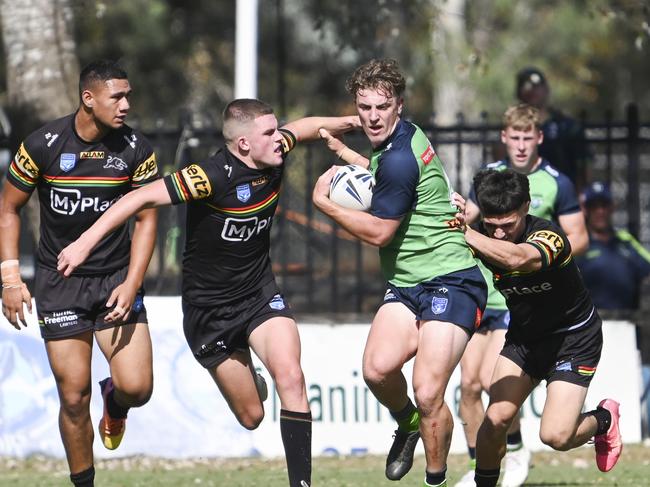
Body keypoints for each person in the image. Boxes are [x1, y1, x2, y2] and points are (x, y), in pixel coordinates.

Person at [56, 98, 361, 487]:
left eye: (275, 130)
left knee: (291, 376)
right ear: (245, 145)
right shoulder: (210, 176)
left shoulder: (272, 150)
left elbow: (303, 127)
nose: (278, 140)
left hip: (259, 293)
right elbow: (139, 197)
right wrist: (84, 243)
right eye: (269, 133)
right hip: (210, 312)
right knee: (251, 416)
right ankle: (116, 399)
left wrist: (349, 121)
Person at [313, 58, 487, 487]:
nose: (372, 116)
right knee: (376, 371)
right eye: (364, 107)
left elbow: (380, 233)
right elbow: (384, 178)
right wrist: (346, 153)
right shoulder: (398, 142)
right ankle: (408, 424)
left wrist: (326, 204)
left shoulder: (398, 159)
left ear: (399, 106)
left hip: (452, 279)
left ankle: (435, 478)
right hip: (409, 285)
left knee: (429, 391)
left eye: (381, 107)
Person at [0, 60, 159, 487]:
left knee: (137, 387)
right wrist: (11, 279)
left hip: (114, 281)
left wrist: (132, 282)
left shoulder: (136, 149)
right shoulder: (43, 144)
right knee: (73, 397)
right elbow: (9, 208)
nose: (126, 104)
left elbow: (146, 220)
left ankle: (116, 402)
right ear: (88, 99)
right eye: (117, 97)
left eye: (128, 95)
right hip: (60, 282)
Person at [454, 168, 622, 487]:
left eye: (508, 224)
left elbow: (518, 259)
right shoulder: (483, 235)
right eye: (492, 226)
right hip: (525, 340)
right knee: (495, 421)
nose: (500, 234)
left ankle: (604, 420)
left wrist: (466, 233)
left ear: (527, 206)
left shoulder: (550, 237)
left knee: (556, 436)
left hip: (573, 339)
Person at [455, 103, 589, 487]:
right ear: (503, 137)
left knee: (489, 382)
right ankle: (482, 463)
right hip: (489, 291)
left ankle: (514, 452)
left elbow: (576, 237)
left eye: (527, 137)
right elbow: (466, 222)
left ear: (538, 138)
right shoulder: (490, 179)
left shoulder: (556, 182)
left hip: (529, 297)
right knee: (467, 386)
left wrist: (541, 260)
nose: (520, 145)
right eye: (513, 137)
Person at [575, 181, 650, 437]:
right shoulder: (579, 244)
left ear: (611, 208)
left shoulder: (625, 241)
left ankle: (636, 427)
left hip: (628, 330)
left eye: (604, 205)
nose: (599, 211)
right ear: (585, 209)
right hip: (587, 331)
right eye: (594, 206)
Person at [515, 67, 591, 188]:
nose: (531, 91)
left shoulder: (566, 126)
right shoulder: (512, 129)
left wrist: (581, 195)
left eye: (536, 87)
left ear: (546, 90)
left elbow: (583, 166)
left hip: (562, 194)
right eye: (526, 87)